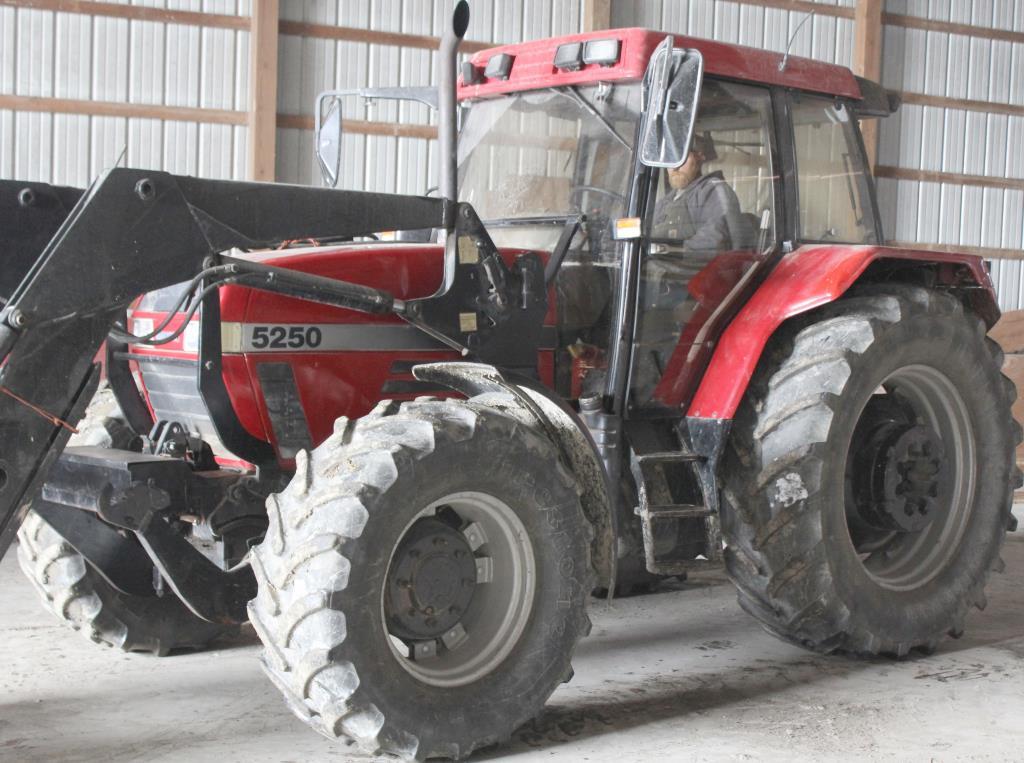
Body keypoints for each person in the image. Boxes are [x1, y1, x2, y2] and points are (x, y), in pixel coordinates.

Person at [651, 133, 747, 252]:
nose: (675, 167)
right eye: (670, 159)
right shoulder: (664, 203)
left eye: (682, 158)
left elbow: (714, 242)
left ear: (699, 156)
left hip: (695, 269)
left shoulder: (712, 191)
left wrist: (670, 250)